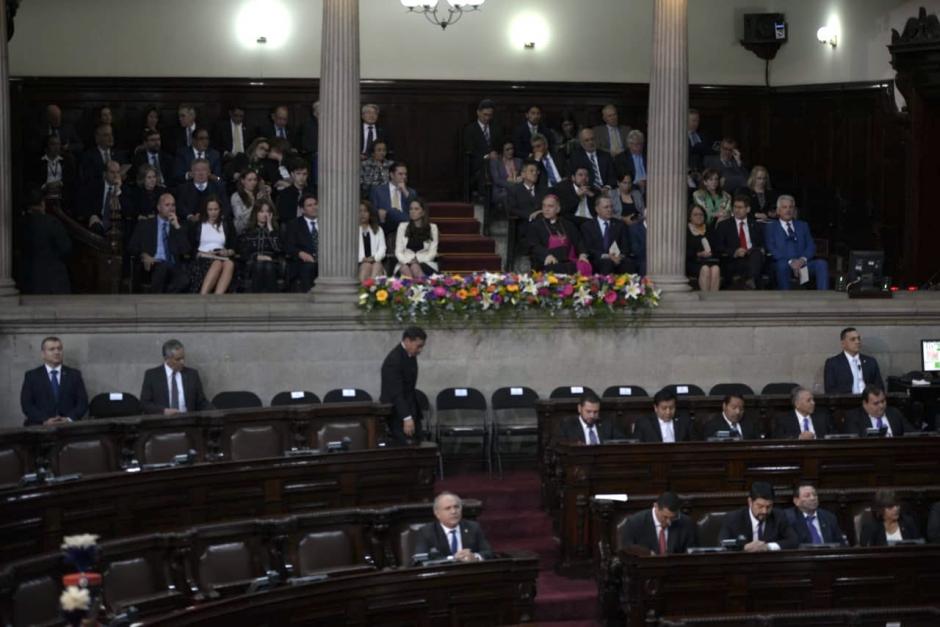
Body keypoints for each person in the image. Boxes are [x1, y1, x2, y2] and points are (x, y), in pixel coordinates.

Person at [128, 192, 191, 293]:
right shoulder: (145, 225)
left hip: (173, 267)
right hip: (151, 265)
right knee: (162, 267)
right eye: (167, 205)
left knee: (184, 279)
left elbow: (186, 251)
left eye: (173, 205)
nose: (171, 208)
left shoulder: (179, 226)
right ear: (159, 207)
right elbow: (132, 247)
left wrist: (177, 227)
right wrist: (144, 255)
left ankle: (161, 299)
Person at [764, 195, 829, 290]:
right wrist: (791, 262)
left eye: (791, 207)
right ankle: (785, 299)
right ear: (778, 211)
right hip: (783, 265)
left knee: (821, 264)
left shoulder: (803, 225)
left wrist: (802, 260)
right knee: (782, 266)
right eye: (784, 207)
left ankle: (823, 299)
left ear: (794, 210)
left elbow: (811, 246)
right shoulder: (771, 227)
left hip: (802, 266)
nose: (788, 210)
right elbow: (771, 248)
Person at [20, 336, 88, 426]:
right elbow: (27, 405)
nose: (57, 352)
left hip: (69, 428)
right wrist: (44, 420)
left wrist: (69, 419)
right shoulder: (32, 376)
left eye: (59, 349)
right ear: (43, 354)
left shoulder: (74, 375)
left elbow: (82, 402)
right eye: (52, 349)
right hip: (40, 427)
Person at [139, 339, 213, 415]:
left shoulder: (192, 375)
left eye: (183, 358)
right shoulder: (152, 375)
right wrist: (164, 411)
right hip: (162, 422)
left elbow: (201, 402)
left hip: (188, 422)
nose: (182, 362)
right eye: (178, 359)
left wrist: (216, 412)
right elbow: (144, 404)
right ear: (166, 359)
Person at [718, 481, 798, 551]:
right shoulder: (733, 518)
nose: (764, 511)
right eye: (760, 506)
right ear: (750, 502)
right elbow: (723, 543)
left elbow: (793, 540)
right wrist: (744, 547)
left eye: (769, 506)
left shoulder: (779, 516)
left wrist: (768, 546)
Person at [413, 492, 493, 561]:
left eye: (456, 507)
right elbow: (420, 559)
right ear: (437, 514)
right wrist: (452, 558)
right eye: (448, 508)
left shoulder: (473, 527)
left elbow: (488, 553)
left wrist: (475, 557)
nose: (454, 511)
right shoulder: (426, 532)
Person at [380, 326, 426, 445]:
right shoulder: (394, 360)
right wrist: (406, 417)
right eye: (418, 346)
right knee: (405, 449)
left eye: (422, 346)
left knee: (418, 445)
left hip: (409, 407)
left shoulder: (409, 354)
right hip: (397, 413)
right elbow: (396, 393)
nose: (420, 350)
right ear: (407, 341)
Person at [20, 190, 72, 295]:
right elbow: (66, 248)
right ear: (42, 203)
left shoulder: (19, 225)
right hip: (53, 283)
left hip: (28, 283)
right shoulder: (52, 223)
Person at [527, 194, 590, 275]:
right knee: (554, 268)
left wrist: (582, 254)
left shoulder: (568, 225)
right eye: (544, 206)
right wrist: (546, 255)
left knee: (584, 265)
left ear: (558, 209)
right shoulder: (535, 226)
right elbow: (533, 245)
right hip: (547, 261)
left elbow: (579, 241)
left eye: (550, 206)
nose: (546, 209)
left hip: (568, 261)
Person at [712, 194, 765, 289]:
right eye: (735, 207)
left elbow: (762, 244)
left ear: (748, 209)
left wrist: (760, 250)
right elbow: (718, 247)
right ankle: (750, 281)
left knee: (756, 254)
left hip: (752, 258)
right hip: (733, 260)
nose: (736, 210)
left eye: (740, 207)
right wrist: (734, 252)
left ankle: (750, 280)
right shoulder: (723, 225)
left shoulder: (756, 225)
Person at [619, 492, 698, 555]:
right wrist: (647, 553)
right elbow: (626, 548)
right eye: (665, 517)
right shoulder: (634, 522)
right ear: (656, 506)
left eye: (673, 518)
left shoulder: (686, 523)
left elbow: (691, 552)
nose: (669, 522)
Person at [188, 195, 236, 295]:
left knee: (229, 264)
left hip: (221, 256)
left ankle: (217, 297)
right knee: (217, 263)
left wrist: (227, 251)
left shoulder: (227, 224)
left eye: (216, 209)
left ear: (220, 210)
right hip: (203, 258)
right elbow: (191, 248)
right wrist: (200, 253)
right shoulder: (198, 224)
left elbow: (234, 247)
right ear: (205, 210)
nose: (213, 212)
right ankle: (203, 295)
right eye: (210, 209)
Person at [76, 159, 132, 235]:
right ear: (104, 174)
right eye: (112, 172)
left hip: (117, 224)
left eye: (118, 172)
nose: (116, 175)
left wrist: (118, 191)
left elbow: (128, 212)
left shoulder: (124, 189)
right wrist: (92, 215)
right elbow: (82, 205)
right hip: (98, 222)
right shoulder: (94, 186)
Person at [580, 196, 634, 275]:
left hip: (617, 257)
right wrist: (607, 256)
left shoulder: (620, 225)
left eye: (611, 207)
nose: (610, 210)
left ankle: (630, 287)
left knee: (628, 263)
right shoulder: (587, 226)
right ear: (597, 209)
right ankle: (607, 286)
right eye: (606, 207)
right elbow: (588, 248)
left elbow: (625, 247)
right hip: (598, 259)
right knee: (607, 263)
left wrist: (620, 256)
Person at [238, 199, 283, 293]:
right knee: (259, 265)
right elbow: (243, 253)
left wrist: (270, 228)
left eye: (267, 211)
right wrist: (258, 257)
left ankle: (273, 300)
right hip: (252, 263)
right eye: (261, 211)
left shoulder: (275, 231)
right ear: (256, 213)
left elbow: (279, 249)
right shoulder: (247, 231)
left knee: (269, 266)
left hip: (272, 263)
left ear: (271, 214)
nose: (264, 214)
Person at [823, 327, 884, 395]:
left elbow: (879, 386)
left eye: (858, 338)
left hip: (868, 402)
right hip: (845, 402)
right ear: (843, 343)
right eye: (853, 339)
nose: (857, 342)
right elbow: (830, 390)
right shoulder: (833, 363)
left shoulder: (871, 362)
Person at [784, 480, 846, 545]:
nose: (812, 498)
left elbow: (840, 544)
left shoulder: (829, 517)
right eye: (807, 496)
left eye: (815, 495)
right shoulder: (787, 518)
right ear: (796, 501)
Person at [843, 385, 915, 437]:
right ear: (865, 404)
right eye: (876, 403)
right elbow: (855, 444)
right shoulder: (854, 417)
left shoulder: (894, 413)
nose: (881, 406)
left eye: (883, 401)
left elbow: (913, 434)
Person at [858, 489, 923, 546]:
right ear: (881, 509)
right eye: (890, 506)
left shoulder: (908, 522)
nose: (896, 509)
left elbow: (918, 545)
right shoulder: (870, 527)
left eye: (897, 505)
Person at [557, 391, 625, 445]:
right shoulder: (568, 425)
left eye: (595, 412)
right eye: (588, 412)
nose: (592, 416)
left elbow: (622, 442)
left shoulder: (607, 424)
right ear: (579, 408)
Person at [284, 193, 320, 292]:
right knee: (308, 268)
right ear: (302, 209)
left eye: (315, 204)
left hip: (326, 261)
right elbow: (289, 246)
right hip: (303, 262)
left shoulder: (327, 222)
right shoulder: (294, 224)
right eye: (309, 205)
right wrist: (300, 253)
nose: (314, 207)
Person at [462, 99, 499, 196]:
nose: (487, 118)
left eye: (490, 115)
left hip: (496, 164)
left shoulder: (496, 128)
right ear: (478, 113)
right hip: (478, 166)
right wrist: (487, 156)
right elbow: (470, 151)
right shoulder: (470, 130)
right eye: (485, 114)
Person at [395, 199, 439, 279]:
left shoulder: (432, 228)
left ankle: (420, 288)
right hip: (405, 262)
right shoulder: (402, 226)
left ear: (423, 212)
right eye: (411, 209)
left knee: (415, 267)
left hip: (425, 262)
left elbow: (432, 252)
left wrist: (417, 260)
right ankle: (417, 289)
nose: (412, 211)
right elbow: (398, 251)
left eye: (416, 209)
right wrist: (408, 261)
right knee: (405, 268)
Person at [370, 162, 417, 235]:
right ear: (392, 175)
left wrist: (404, 191)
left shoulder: (411, 192)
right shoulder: (378, 191)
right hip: (387, 225)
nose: (404, 177)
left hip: (405, 227)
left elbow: (416, 209)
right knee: (392, 212)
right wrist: (379, 211)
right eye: (400, 174)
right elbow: (372, 210)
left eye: (405, 174)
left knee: (393, 212)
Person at [506, 160, 544, 245]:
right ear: (523, 174)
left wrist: (540, 212)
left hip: (543, 223)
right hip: (524, 224)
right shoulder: (514, 190)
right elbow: (512, 209)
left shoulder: (542, 190)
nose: (535, 173)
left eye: (536, 171)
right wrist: (530, 215)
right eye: (531, 171)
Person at [685, 205, 721, 291]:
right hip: (693, 261)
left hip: (709, 260)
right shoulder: (685, 230)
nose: (699, 217)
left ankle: (713, 300)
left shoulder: (709, 230)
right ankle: (706, 300)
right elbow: (684, 251)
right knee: (705, 269)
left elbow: (718, 248)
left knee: (716, 269)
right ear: (690, 217)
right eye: (695, 214)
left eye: (701, 214)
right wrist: (698, 254)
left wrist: (711, 253)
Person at [275, 160, 315, 225]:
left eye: (304, 174)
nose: (301, 177)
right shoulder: (285, 194)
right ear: (292, 174)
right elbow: (283, 216)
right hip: (291, 227)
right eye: (298, 173)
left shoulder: (312, 193)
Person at [231, 168, 270, 234]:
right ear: (242, 181)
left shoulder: (259, 194)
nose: (253, 182)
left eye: (255, 180)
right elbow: (240, 218)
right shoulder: (236, 196)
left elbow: (270, 212)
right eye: (250, 180)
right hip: (243, 230)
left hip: (261, 228)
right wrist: (256, 203)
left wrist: (268, 196)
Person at [489, 140, 523, 208]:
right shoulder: (495, 162)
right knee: (511, 196)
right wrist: (512, 184)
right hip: (501, 191)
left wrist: (521, 178)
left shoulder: (519, 161)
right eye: (507, 149)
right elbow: (497, 180)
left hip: (519, 189)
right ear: (502, 151)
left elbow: (523, 175)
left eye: (512, 149)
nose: (511, 151)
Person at [358, 200, 386, 282]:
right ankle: (363, 292)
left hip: (375, 260)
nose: (362, 214)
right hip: (359, 262)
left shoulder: (378, 229)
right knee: (366, 266)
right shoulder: (351, 230)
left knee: (377, 265)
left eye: (365, 211)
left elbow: (382, 248)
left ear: (370, 214)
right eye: (360, 211)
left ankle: (372, 291)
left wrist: (374, 258)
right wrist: (362, 259)